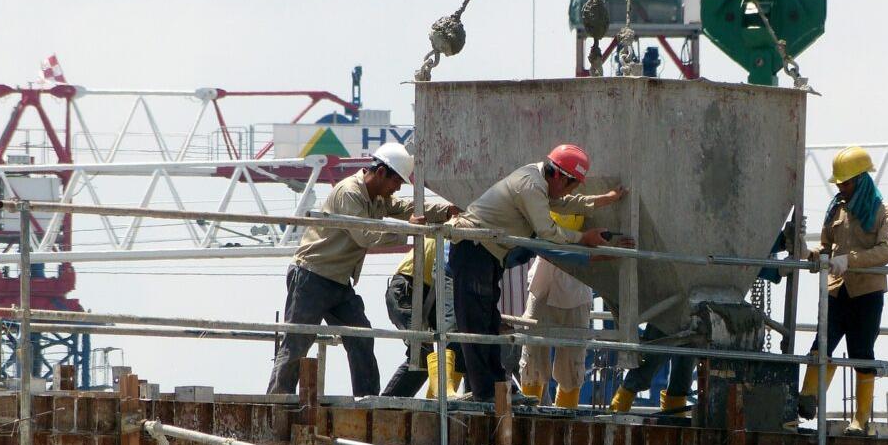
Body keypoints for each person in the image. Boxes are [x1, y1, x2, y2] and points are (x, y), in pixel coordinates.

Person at [266, 143, 458, 396]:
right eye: (396, 182)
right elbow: (366, 236)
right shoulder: (350, 192)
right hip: (312, 276)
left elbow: (406, 209)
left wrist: (447, 212)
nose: (397, 188)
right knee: (298, 340)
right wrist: (409, 231)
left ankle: (367, 400)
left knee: (361, 337)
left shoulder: (376, 197)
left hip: (338, 281)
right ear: (380, 174)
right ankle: (277, 401)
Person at [447, 144, 628, 404]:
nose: (571, 191)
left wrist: (604, 200)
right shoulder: (530, 186)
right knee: (475, 324)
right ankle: (485, 393)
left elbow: (564, 203)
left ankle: (499, 389)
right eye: (571, 184)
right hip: (473, 249)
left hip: (487, 253)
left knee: (488, 322)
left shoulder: (539, 181)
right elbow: (548, 233)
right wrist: (584, 239)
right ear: (559, 176)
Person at [797, 146, 888, 436]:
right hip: (837, 290)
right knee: (821, 344)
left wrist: (848, 261)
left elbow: (885, 251)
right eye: (839, 183)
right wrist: (811, 254)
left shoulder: (884, 212)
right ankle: (808, 398)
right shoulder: (836, 210)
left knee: (861, 352)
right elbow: (827, 248)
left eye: (846, 182)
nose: (841, 187)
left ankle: (860, 418)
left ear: (862, 180)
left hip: (867, 293)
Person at [518, 213, 594, 409]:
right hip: (543, 282)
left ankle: (565, 423)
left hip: (578, 283)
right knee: (533, 357)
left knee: (572, 364)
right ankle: (529, 417)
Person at [380, 237, 466, 398]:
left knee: (457, 343)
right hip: (407, 288)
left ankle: (439, 396)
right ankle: (390, 403)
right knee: (422, 351)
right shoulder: (452, 229)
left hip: (431, 293)